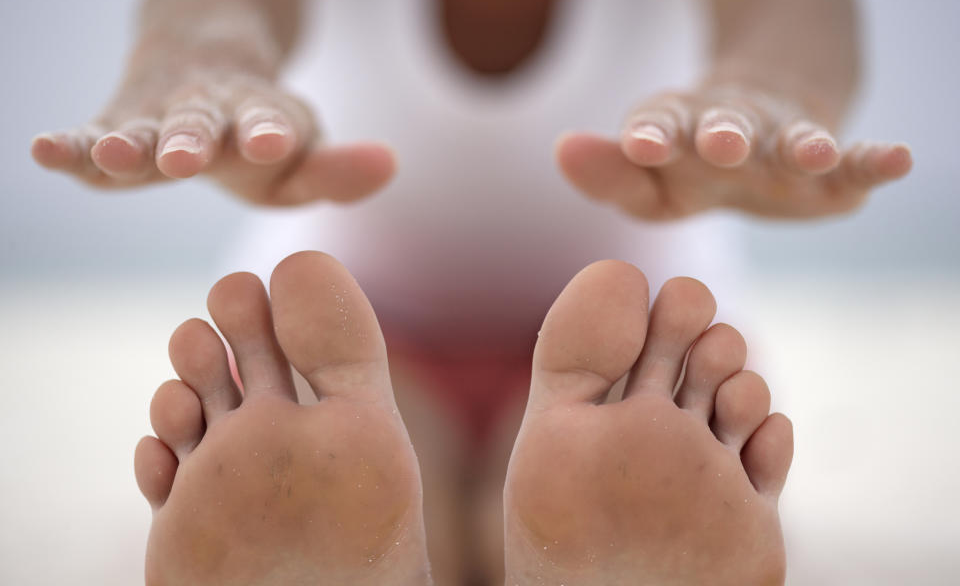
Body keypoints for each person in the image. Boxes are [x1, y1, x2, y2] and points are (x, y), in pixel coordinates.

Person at [32, 0, 911, 583]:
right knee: (376, 459)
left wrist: (776, 92)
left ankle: (452, 554)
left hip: (612, 353)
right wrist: (201, 63)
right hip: (377, 345)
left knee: (458, 485)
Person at [136, 250, 792, 585]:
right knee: (618, 426)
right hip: (369, 341)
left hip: (353, 344)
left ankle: (441, 552)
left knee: (351, 437)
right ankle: (490, 545)